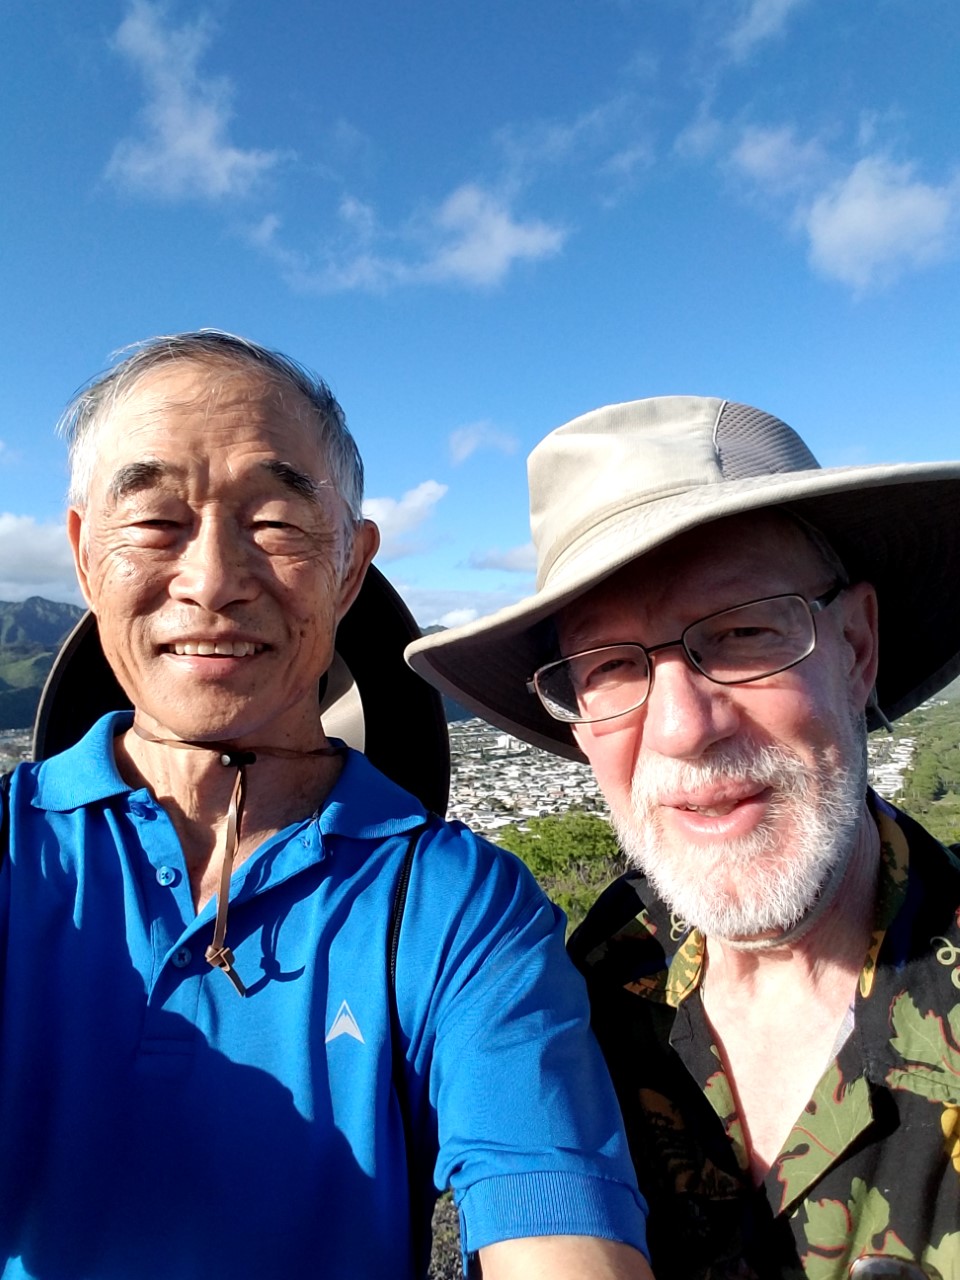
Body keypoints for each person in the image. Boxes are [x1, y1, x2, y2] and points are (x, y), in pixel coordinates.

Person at [0, 332, 654, 1280]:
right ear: (83, 556)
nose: (213, 579)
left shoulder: (459, 908)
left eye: (275, 521)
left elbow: (554, 1218)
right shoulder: (16, 854)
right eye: (154, 520)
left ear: (350, 567)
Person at [406, 395, 960, 1279]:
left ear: (857, 648)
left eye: (743, 633)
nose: (681, 728)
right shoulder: (571, 1001)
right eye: (609, 666)